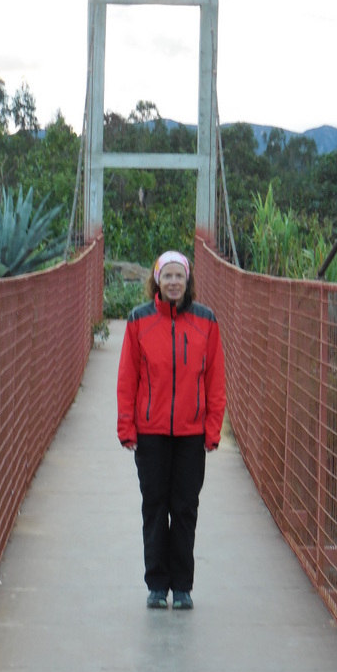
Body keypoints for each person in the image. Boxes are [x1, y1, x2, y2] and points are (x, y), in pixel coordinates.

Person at [117, 250, 226, 610]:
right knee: (154, 506)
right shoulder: (138, 321)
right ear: (157, 280)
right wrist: (126, 426)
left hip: (192, 434)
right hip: (150, 432)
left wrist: (213, 429)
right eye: (168, 276)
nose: (174, 282)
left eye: (180, 276)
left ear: (188, 280)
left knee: (184, 509)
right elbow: (127, 379)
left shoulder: (206, 321)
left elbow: (215, 381)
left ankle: (182, 587)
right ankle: (156, 584)